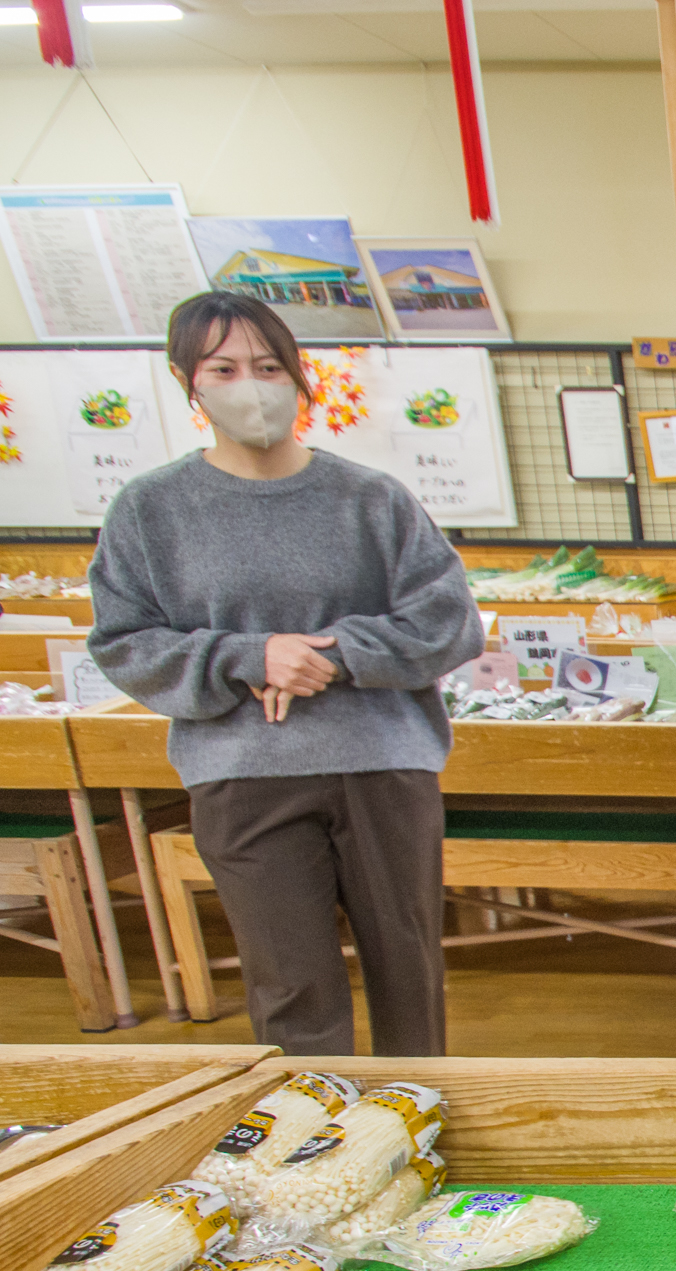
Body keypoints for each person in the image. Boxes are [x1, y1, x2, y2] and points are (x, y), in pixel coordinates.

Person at [86, 292, 480, 1055]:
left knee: (407, 966)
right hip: (244, 775)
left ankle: (418, 1107)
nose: (251, 385)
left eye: (268, 367)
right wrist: (246, 656)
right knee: (290, 981)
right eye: (224, 368)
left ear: (299, 377)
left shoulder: (371, 498)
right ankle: (308, 1125)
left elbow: (448, 622)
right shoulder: (150, 510)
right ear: (189, 382)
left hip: (381, 765)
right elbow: (124, 641)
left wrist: (332, 653)